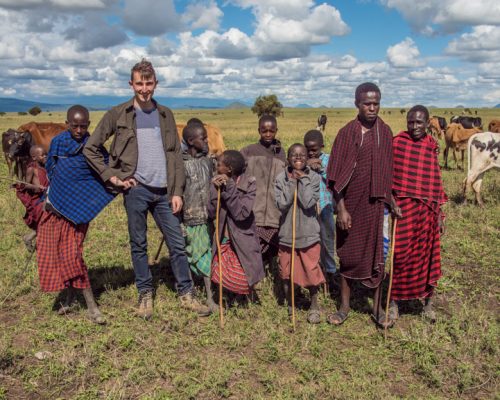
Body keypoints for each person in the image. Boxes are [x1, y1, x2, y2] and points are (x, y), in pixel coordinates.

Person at [83, 59, 210, 319]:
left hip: (165, 191)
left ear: (156, 83)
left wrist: (176, 191)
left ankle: (186, 294)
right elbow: (91, 148)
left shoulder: (165, 114)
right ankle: (145, 295)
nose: (144, 89)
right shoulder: (117, 114)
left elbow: (175, 155)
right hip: (136, 189)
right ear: (131, 84)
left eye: (148, 83)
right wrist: (113, 177)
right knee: (138, 243)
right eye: (139, 83)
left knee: (176, 242)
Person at [326, 82, 394, 328]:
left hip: (376, 206)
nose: (372, 108)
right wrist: (341, 207)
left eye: (376, 103)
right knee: (348, 255)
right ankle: (344, 307)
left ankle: (376, 308)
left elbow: (388, 171)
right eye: (367, 103)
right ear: (357, 104)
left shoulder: (384, 132)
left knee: (378, 256)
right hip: (351, 206)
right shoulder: (347, 133)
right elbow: (334, 174)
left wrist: (391, 200)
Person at [37, 105, 110, 324]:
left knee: (72, 255)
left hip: (79, 209)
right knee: (61, 254)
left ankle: (91, 307)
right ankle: (69, 299)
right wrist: (57, 193)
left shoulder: (93, 145)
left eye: (83, 125)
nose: (79, 130)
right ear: (67, 123)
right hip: (58, 205)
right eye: (74, 125)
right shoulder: (58, 142)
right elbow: (51, 170)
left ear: (89, 124)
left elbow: (105, 171)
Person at [389, 105, 447, 322]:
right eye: (411, 122)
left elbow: (434, 182)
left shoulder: (431, 147)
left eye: (419, 122)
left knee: (428, 256)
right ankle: (394, 301)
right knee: (400, 254)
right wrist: (392, 200)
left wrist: (440, 215)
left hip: (428, 213)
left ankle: (428, 303)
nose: (414, 126)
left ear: (427, 122)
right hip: (403, 210)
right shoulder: (397, 143)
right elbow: (388, 176)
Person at [275, 144, 325, 323]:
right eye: (294, 155)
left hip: (308, 234)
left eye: (302, 155)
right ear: (288, 158)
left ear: (307, 158)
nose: (298, 158)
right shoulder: (281, 178)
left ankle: (313, 305)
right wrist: (291, 183)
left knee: (310, 270)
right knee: (286, 272)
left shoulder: (313, 178)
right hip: (287, 235)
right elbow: (282, 204)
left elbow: (307, 202)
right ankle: (291, 303)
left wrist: (302, 180)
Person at [208, 150, 265, 300]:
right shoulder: (217, 182)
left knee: (244, 270)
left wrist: (230, 187)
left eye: (219, 164)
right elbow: (211, 212)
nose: (216, 167)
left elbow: (241, 213)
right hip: (224, 234)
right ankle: (226, 295)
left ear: (229, 169)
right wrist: (215, 190)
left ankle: (242, 297)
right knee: (220, 267)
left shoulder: (249, 183)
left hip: (242, 235)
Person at [240, 115, 286, 265]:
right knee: (254, 246)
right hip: (254, 210)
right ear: (258, 130)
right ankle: (256, 273)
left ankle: (269, 269)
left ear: (276, 131)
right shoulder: (248, 152)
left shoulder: (282, 154)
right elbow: (236, 171)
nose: (267, 134)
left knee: (273, 246)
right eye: (264, 130)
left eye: (271, 131)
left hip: (274, 211)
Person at [181, 122, 218, 312]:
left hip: (207, 218)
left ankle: (211, 297)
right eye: (202, 138)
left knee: (206, 257)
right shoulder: (180, 164)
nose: (206, 141)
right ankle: (191, 293)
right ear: (190, 141)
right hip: (189, 218)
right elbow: (175, 193)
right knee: (191, 256)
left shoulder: (209, 162)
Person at [303, 130, 336, 286]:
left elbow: (334, 179)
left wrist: (321, 169)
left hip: (325, 208)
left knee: (327, 240)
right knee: (312, 242)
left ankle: (330, 272)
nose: (311, 153)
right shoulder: (302, 161)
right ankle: (315, 273)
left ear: (322, 146)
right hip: (308, 211)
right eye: (308, 149)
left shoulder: (329, 160)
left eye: (314, 150)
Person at [14, 145, 48, 251]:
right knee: (44, 223)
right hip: (38, 200)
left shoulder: (46, 166)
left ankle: (29, 238)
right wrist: (36, 187)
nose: (45, 157)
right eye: (42, 155)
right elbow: (26, 185)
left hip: (46, 197)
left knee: (45, 223)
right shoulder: (31, 169)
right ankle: (29, 238)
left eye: (46, 154)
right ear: (34, 157)